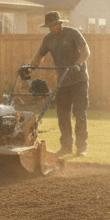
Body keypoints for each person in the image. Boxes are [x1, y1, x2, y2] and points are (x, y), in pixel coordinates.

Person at [25, 11, 91, 156]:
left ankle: (81, 149)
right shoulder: (48, 39)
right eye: (50, 26)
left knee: (79, 113)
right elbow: (39, 56)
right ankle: (66, 147)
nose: (52, 28)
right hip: (63, 81)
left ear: (60, 24)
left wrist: (77, 63)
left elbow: (85, 51)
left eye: (54, 25)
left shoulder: (73, 34)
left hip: (79, 79)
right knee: (62, 114)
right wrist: (29, 68)